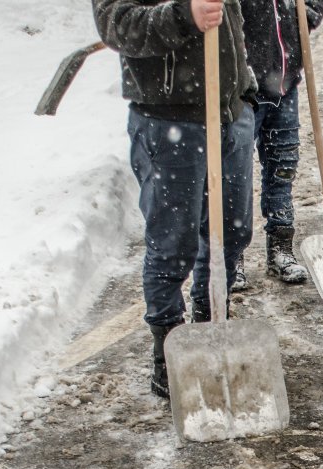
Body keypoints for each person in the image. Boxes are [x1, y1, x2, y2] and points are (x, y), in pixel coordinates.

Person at [93, 0, 259, 398]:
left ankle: (210, 324)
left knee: (232, 234)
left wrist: (245, 92)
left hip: (230, 113)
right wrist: (184, 15)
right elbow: (116, 24)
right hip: (168, 121)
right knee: (173, 244)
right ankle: (168, 351)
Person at [239, 0, 323, 290]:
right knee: (234, 175)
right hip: (240, 86)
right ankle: (232, 257)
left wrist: (307, 12)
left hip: (285, 80)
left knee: (283, 168)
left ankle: (281, 249)